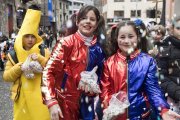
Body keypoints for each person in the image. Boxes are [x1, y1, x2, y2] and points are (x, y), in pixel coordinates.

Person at [99, 21, 180, 120]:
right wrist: (109, 108)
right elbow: (105, 91)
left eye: (130, 36)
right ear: (116, 39)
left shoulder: (147, 61)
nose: (126, 41)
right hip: (115, 117)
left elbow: (153, 89)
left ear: (137, 38)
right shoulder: (109, 63)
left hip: (141, 116)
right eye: (122, 37)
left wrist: (163, 109)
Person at [41, 5, 105, 120]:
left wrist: (94, 86)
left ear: (96, 24)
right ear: (77, 21)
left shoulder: (99, 49)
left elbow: (103, 79)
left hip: (88, 106)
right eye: (84, 18)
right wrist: (51, 100)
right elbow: (48, 71)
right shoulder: (66, 43)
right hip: (65, 104)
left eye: (92, 19)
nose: (87, 22)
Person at [3, 7, 50, 120]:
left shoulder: (44, 52)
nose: (30, 39)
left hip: (40, 99)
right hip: (21, 101)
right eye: (27, 36)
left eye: (33, 36)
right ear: (22, 37)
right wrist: (20, 67)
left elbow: (52, 71)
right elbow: (6, 76)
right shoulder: (13, 54)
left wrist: (40, 59)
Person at [157, 16, 180, 118]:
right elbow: (161, 77)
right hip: (172, 103)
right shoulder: (164, 48)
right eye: (179, 28)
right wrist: (177, 92)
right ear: (172, 29)